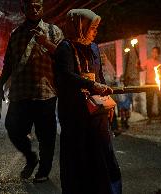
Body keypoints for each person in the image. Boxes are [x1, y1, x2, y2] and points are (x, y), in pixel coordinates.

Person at [54, 9, 122, 194]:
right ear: (79, 26)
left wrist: (106, 101)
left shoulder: (93, 47)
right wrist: (92, 85)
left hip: (96, 114)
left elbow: (99, 77)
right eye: (92, 27)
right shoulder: (64, 48)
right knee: (79, 158)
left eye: (96, 28)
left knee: (103, 155)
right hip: (75, 114)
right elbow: (66, 77)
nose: (95, 32)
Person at [0, 0, 63, 183]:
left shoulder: (53, 31)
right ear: (23, 9)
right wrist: (0, 85)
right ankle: (31, 157)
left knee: (46, 136)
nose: (34, 10)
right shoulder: (16, 34)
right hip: (20, 92)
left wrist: (46, 43)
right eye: (30, 6)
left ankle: (43, 170)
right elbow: (8, 63)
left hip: (45, 93)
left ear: (42, 8)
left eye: (37, 6)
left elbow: (65, 57)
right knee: (12, 127)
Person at [139, 47, 161, 124]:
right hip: (149, 84)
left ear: (158, 54)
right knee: (149, 101)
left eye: (155, 52)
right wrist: (138, 65)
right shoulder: (148, 62)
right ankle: (149, 118)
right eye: (153, 52)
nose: (154, 53)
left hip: (158, 84)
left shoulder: (160, 64)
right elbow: (141, 69)